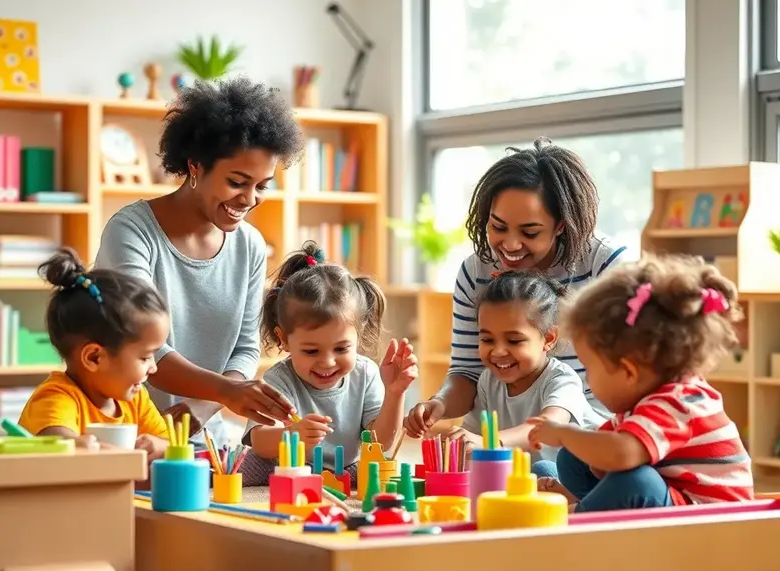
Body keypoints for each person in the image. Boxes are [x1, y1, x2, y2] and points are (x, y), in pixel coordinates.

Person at [94, 77, 303, 447]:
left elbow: (245, 347)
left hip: (205, 441)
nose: (250, 199)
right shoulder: (132, 232)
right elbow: (140, 344)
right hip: (120, 433)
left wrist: (204, 406)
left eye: (263, 185)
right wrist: (225, 392)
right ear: (195, 166)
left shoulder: (251, 246)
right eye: (238, 182)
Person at [404, 138, 629, 441]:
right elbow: (468, 372)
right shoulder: (476, 272)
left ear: (560, 225)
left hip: (594, 430)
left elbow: (634, 372)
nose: (510, 246)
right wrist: (439, 403)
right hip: (513, 432)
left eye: (530, 232)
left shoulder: (606, 266)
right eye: (498, 227)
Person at [527, 255, 754, 512]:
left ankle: (577, 520)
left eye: (589, 367)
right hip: (672, 498)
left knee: (635, 481)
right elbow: (603, 461)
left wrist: (564, 434)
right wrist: (589, 454)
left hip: (708, 520)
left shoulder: (679, 403)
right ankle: (582, 504)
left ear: (628, 371)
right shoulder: (645, 401)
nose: (586, 378)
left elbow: (621, 455)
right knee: (573, 458)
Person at [238, 242, 418, 486]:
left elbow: (381, 443)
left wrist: (395, 393)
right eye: (311, 351)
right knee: (249, 465)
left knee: (381, 471)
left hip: (345, 469)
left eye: (342, 348)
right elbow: (259, 440)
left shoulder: (365, 373)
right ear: (284, 340)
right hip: (294, 468)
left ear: (359, 333)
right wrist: (292, 435)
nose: (327, 362)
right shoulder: (278, 379)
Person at [430, 270, 603, 476]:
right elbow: (476, 436)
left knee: (543, 470)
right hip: (534, 480)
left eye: (514, 341)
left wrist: (489, 442)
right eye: (487, 340)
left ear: (549, 338)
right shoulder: (488, 381)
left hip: (590, 476)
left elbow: (545, 428)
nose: (498, 351)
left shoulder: (562, 380)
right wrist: (459, 444)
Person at [18, 248, 171, 459]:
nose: (153, 367)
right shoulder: (57, 396)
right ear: (94, 358)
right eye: (145, 357)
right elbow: (56, 441)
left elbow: (170, 443)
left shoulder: (135, 399)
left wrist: (160, 446)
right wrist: (83, 446)